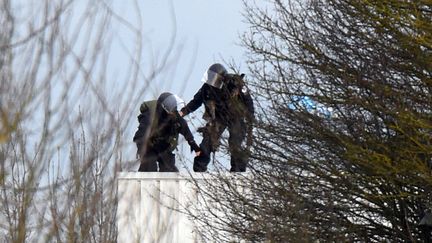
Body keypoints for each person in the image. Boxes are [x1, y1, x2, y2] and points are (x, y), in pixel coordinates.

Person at [179, 63, 254, 172]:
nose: (213, 81)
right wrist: (182, 112)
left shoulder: (236, 84)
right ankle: (199, 169)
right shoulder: (207, 88)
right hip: (218, 118)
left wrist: (250, 118)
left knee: (235, 143)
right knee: (207, 142)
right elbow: (196, 102)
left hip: (236, 116)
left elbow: (248, 101)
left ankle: (237, 171)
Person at [133, 92, 201, 172]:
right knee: (149, 166)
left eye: (173, 111)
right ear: (162, 108)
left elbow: (185, 129)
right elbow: (140, 136)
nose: (172, 114)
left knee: (169, 168)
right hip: (148, 145)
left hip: (163, 145)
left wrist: (194, 146)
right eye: (170, 112)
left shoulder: (174, 115)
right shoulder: (149, 116)